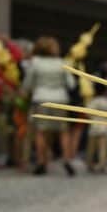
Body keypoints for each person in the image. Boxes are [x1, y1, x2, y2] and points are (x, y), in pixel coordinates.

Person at [21, 36, 76, 176]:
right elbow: (71, 84)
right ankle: (67, 160)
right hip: (60, 99)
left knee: (41, 132)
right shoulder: (62, 62)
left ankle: (41, 162)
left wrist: (26, 92)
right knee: (63, 131)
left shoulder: (35, 62)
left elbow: (28, 83)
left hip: (41, 98)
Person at [85, 81, 107, 173]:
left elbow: (88, 113)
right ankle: (102, 165)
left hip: (94, 126)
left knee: (91, 148)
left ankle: (89, 164)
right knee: (103, 148)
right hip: (105, 126)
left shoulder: (93, 101)